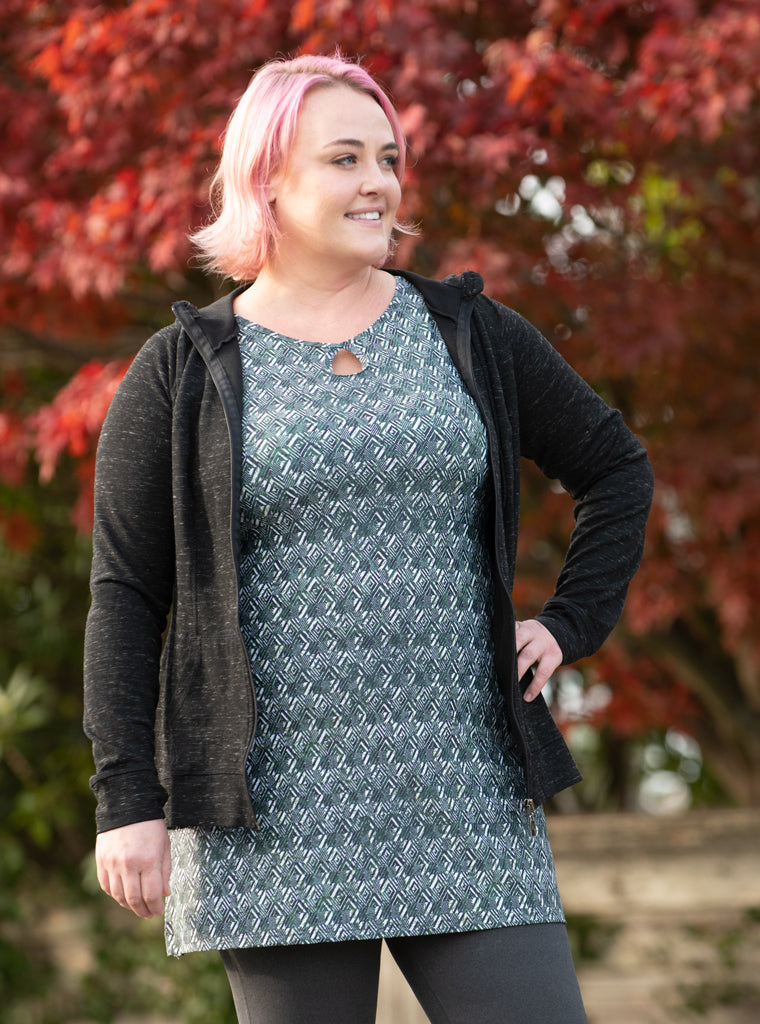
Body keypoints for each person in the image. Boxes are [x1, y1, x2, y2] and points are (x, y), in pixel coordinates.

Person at [84, 53, 653, 1024]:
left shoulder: (468, 332)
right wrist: (126, 800)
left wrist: (568, 623)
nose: (377, 182)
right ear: (268, 179)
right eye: (344, 158)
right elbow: (128, 595)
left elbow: (616, 469)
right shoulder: (183, 371)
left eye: (388, 158)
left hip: (466, 798)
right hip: (270, 820)